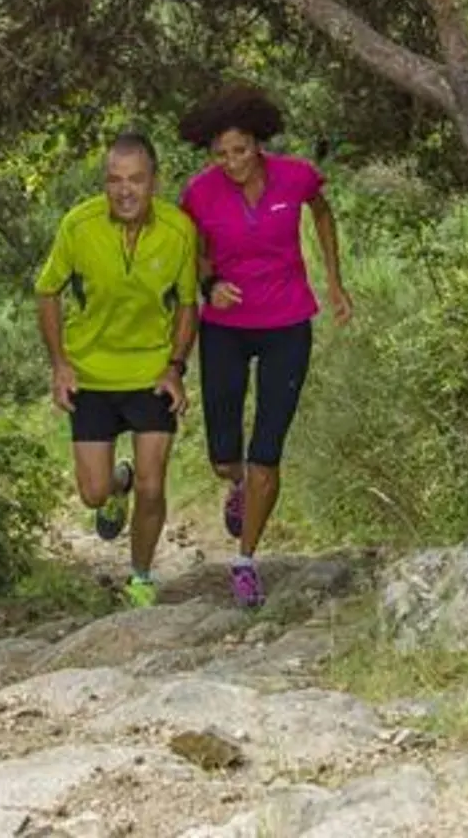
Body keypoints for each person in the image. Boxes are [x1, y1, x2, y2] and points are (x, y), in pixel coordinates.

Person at [178, 86, 352, 608]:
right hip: (227, 328)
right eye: (221, 154)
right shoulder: (199, 193)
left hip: (287, 323)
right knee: (224, 456)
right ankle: (235, 486)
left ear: (258, 142)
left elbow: (322, 214)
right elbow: (195, 254)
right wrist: (210, 286)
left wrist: (335, 282)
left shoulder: (296, 175)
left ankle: (246, 560)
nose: (232, 162)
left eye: (241, 150)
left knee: (266, 453)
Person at [35, 131, 197, 608]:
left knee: (154, 483)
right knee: (92, 494)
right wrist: (60, 364)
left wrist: (175, 367)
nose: (125, 191)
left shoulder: (179, 229)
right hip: (91, 376)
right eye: (114, 180)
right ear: (104, 183)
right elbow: (47, 291)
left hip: (150, 374)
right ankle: (114, 485)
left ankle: (142, 577)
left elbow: (189, 305)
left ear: (154, 182)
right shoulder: (78, 226)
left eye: (137, 180)